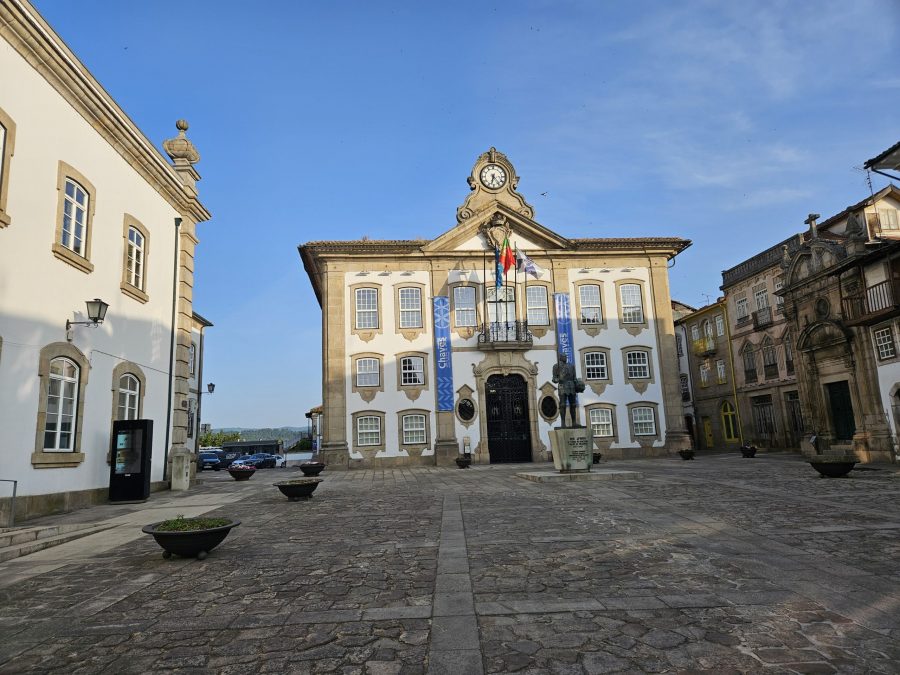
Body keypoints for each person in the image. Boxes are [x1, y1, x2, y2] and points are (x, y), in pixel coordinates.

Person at [552, 353, 578, 428]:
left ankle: (574, 422)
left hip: (571, 386)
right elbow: (554, 378)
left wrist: (578, 384)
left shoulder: (571, 366)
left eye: (566, 357)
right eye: (564, 357)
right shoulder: (556, 366)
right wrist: (557, 379)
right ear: (560, 358)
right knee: (562, 405)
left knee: (573, 404)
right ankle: (563, 423)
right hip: (562, 385)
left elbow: (574, 377)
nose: (565, 358)